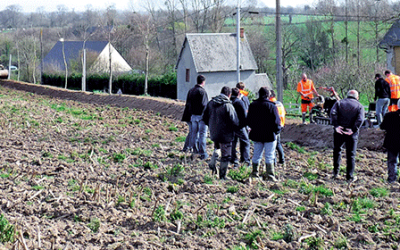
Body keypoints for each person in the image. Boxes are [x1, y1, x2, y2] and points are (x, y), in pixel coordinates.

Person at [202, 86, 239, 180]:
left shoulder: (211, 103)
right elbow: (234, 121)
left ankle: (212, 163)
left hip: (214, 132)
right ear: (229, 95)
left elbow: (205, 117)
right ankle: (222, 175)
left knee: (217, 147)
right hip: (226, 134)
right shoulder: (228, 105)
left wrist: (211, 126)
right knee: (226, 155)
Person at [247, 87, 281, 181]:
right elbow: (277, 121)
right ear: (267, 95)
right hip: (269, 134)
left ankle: (255, 173)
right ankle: (270, 175)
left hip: (257, 134)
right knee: (269, 155)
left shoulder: (253, 105)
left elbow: (249, 120)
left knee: (256, 154)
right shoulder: (272, 106)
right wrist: (277, 131)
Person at [330, 90, 365, 182]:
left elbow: (332, 113)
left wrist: (336, 126)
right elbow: (360, 119)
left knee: (337, 150)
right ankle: (349, 176)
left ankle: (335, 173)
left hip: (339, 131)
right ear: (357, 97)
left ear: (347, 95)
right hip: (351, 133)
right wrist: (353, 129)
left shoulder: (339, 103)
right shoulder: (359, 106)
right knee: (351, 155)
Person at [186, 75, 209, 160]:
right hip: (201, 116)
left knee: (193, 134)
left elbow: (188, 103)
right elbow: (204, 105)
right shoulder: (202, 92)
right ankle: (203, 153)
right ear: (203, 82)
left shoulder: (191, 90)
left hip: (193, 116)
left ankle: (194, 151)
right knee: (202, 135)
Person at [380, 99, 400, 183]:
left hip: (391, 142)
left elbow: (382, 126)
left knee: (392, 161)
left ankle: (392, 178)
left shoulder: (389, 116)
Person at [230, 88, 250, 167]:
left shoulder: (229, 102)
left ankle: (233, 159)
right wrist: (246, 124)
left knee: (233, 143)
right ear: (239, 94)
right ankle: (245, 160)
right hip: (240, 126)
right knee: (245, 142)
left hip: (231, 126)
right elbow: (244, 115)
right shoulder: (239, 102)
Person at [269, 90, 286, 166]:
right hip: (281, 124)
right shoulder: (280, 103)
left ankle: (274, 162)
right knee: (278, 144)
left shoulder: (272, 104)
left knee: (272, 144)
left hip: (274, 126)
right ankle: (282, 160)